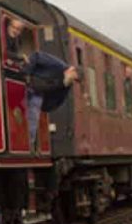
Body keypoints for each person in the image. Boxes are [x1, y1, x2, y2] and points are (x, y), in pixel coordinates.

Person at [4, 18, 79, 151]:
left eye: (18, 29)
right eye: (14, 28)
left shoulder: (66, 84)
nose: (15, 31)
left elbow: (58, 100)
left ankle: (29, 144)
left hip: (37, 92)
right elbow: (37, 56)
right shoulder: (57, 64)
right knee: (17, 111)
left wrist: (46, 107)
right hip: (28, 84)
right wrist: (25, 74)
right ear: (71, 69)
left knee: (33, 115)